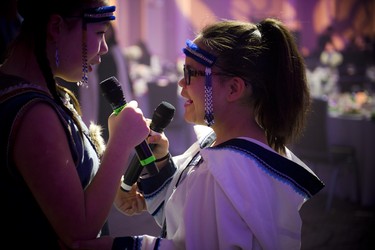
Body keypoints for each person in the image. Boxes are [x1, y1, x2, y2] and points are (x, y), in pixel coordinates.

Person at [74, 18, 325, 250]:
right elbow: (188, 217)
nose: (181, 84)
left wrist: (112, 246)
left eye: (190, 74)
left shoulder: (227, 171)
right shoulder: (230, 149)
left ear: (234, 88)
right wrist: (161, 167)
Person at [0, 0, 151, 249]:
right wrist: (121, 142)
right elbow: (78, 233)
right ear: (56, 27)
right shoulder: (33, 114)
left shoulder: (42, 94)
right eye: (100, 33)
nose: (104, 48)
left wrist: (112, 188)